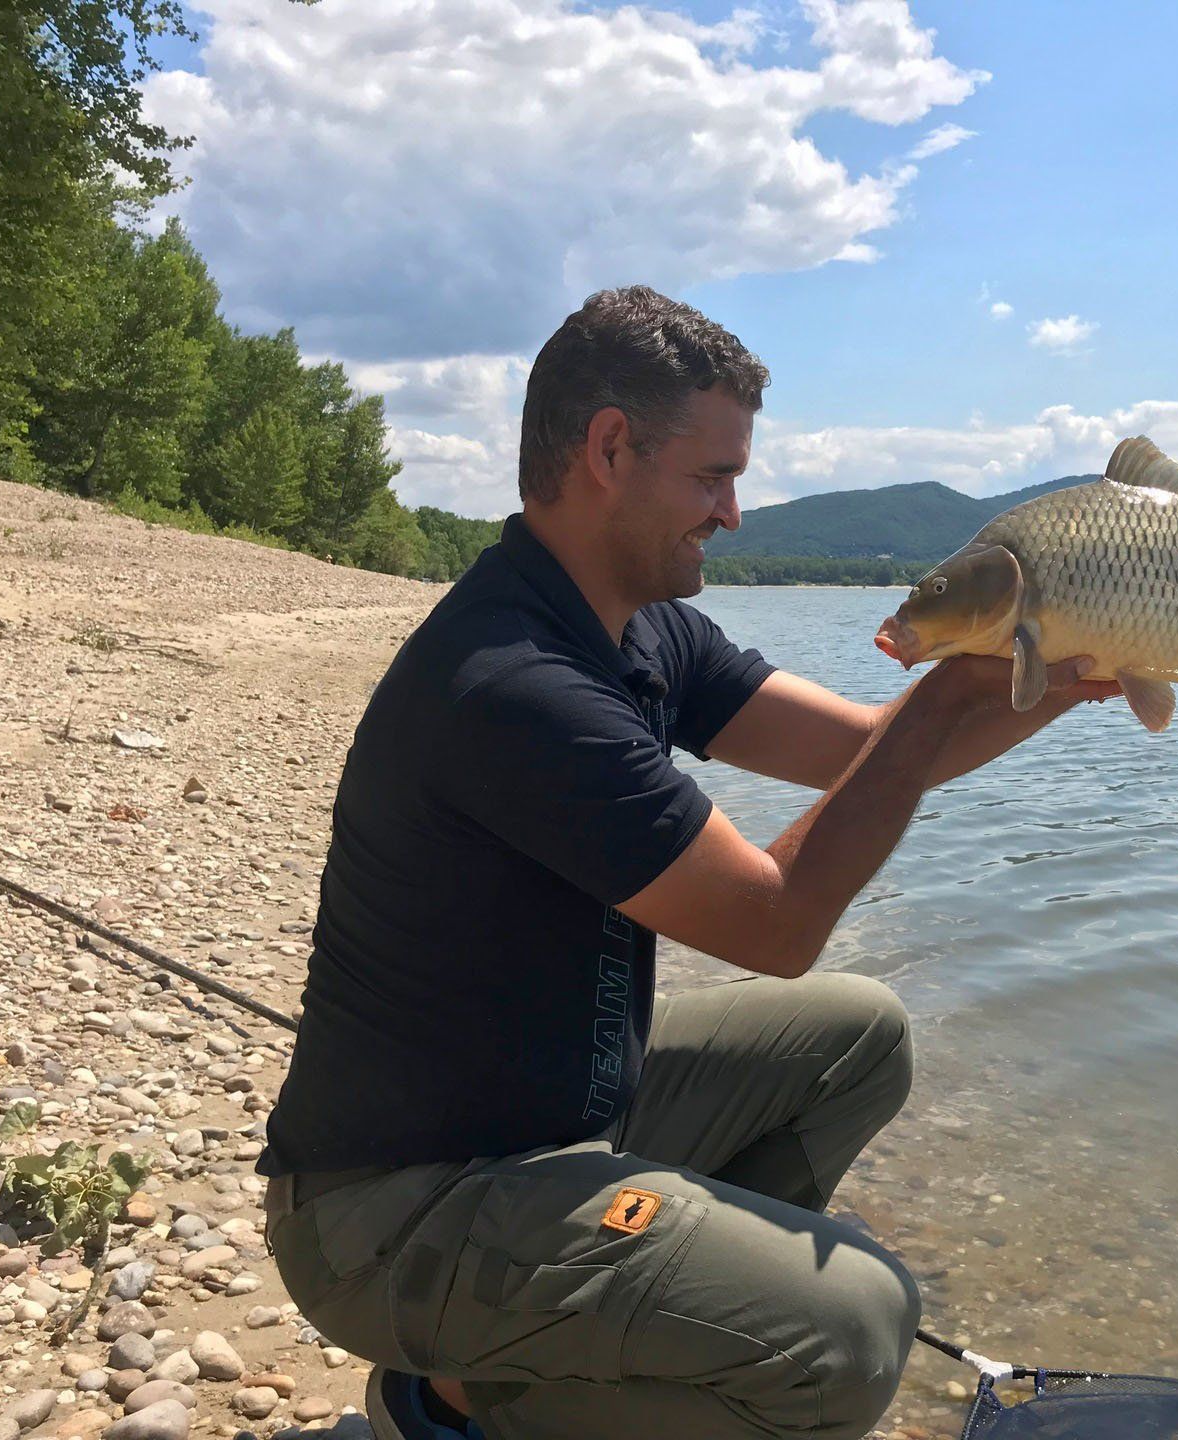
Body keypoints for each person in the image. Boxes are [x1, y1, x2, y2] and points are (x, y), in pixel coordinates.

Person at [257, 286, 1119, 1440]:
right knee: (857, 1326)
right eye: (714, 477)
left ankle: (592, 1356)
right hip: (394, 1216)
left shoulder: (638, 623)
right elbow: (778, 923)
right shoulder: (513, 683)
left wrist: (1057, 678)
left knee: (855, 1036)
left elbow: (868, 752)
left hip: (556, 1124)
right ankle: (478, 1400)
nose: (735, 513)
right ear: (610, 449)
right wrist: (951, 682)